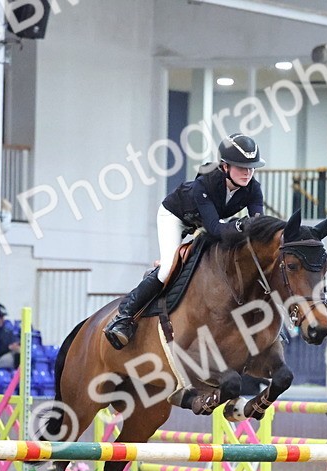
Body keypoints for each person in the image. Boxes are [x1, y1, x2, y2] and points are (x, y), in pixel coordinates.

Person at [103, 133, 266, 349]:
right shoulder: (205, 184)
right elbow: (215, 230)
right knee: (168, 268)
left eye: (252, 167)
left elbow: (258, 228)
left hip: (208, 221)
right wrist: (239, 225)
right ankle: (124, 317)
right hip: (176, 217)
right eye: (241, 167)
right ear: (225, 167)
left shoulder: (253, 189)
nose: (248, 173)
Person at [0, 304, 21, 369]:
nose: (2, 319)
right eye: (0, 317)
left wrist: (15, 346)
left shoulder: (6, 331)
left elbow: (14, 342)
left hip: (5, 355)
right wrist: (8, 347)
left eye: (3, 317)